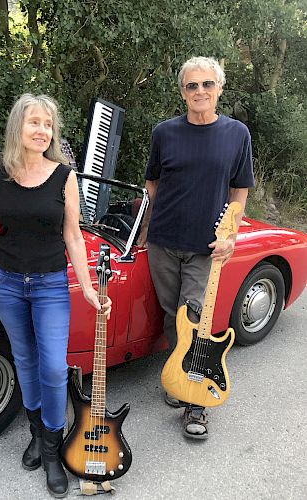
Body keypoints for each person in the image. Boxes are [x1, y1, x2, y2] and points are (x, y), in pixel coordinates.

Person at [0, 93, 111, 497]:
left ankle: (52, 447)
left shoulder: (64, 176)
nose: (42, 130)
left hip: (49, 285)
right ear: (18, 126)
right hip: (7, 284)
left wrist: (86, 287)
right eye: (34, 122)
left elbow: (73, 234)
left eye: (48, 124)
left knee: (52, 366)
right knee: (25, 361)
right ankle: (36, 435)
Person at [138, 57, 254, 439]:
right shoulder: (164, 133)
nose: (199, 91)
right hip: (163, 243)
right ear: (182, 92)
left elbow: (239, 188)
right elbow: (152, 183)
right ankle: (178, 380)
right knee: (173, 316)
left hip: (208, 248)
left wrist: (231, 234)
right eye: (191, 86)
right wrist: (148, 229)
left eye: (207, 84)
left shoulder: (237, 134)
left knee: (197, 318)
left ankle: (197, 402)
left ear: (219, 88)